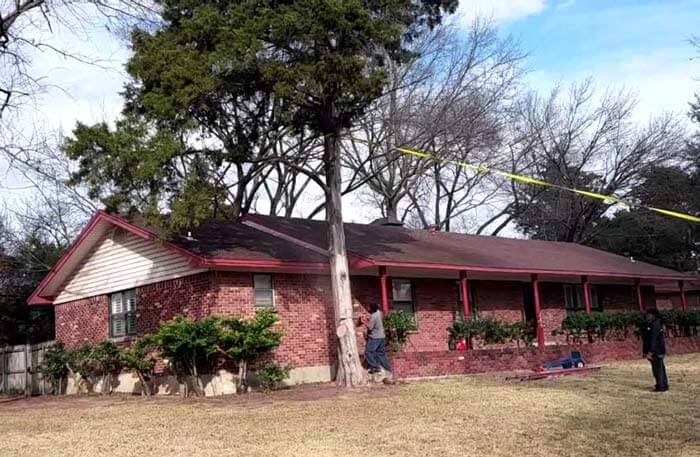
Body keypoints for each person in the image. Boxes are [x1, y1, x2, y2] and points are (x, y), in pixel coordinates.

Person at [365, 303, 394, 383]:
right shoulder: (379, 313)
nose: (368, 309)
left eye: (369, 308)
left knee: (368, 352)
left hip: (375, 338)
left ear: (372, 309)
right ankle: (388, 370)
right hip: (382, 337)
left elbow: (370, 328)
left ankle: (376, 369)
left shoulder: (374, 316)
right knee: (381, 353)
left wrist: (365, 322)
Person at [642, 308, 668, 392]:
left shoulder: (655, 325)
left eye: (649, 315)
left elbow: (654, 339)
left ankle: (660, 386)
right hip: (657, 350)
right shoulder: (652, 324)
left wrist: (650, 352)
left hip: (656, 350)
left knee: (657, 369)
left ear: (654, 316)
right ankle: (663, 384)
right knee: (659, 368)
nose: (647, 317)